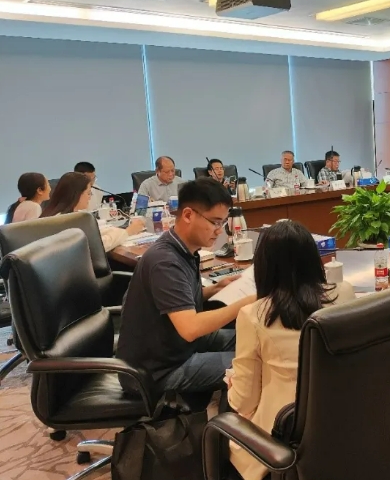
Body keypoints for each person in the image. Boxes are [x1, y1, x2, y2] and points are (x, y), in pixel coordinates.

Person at [227, 220, 355, 479]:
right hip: (342, 421)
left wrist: (231, 384)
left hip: (283, 438)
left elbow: (244, 401)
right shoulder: (344, 293)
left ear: (263, 266)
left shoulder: (253, 314)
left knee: (225, 415)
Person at [116, 178, 255, 397]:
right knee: (251, 363)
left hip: (175, 346)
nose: (219, 231)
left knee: (254, 337)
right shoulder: (165, 262)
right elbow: (190, 328)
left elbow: (177, 303)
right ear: (188, 215)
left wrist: (214, 289)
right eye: (215, 222)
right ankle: (224, 417)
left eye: (223, 223)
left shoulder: (183, 248)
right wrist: (246, 302)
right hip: (156, 371)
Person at [40, 172, 145, 250]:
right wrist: (128, 231)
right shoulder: (67, 221)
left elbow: (95, 232)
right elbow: (99, 245)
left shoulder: (59, 215)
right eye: (88, 193)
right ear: (77, 195)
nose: (90, 197)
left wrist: (117, 230)